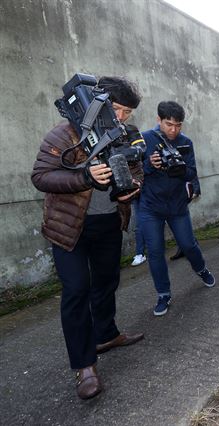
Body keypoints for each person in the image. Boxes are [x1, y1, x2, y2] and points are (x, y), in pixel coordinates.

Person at [31, 76, 145, 400]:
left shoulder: (122, 133)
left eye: (128, 113)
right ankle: (84, 367)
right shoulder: (64, 132)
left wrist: (132, 190)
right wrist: (83, 176)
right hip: (69, 229)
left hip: (108, 223)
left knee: (107, 282)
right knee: (77, 290)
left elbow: (137, 172)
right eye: (118, 109)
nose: (122, 117)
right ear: (99, 101)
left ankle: (106, 334)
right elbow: (40, 176)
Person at [139, 101, 216, 316]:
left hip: (177, 205)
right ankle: (163, 294)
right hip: (150, 206)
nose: (173, 130)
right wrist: (150, 165)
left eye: (178, 125)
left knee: (188, 245)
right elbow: (133, 173)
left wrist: (177, 164)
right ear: (159, 120)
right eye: (168, 124)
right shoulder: (144, 139)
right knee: (155, 251)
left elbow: (191, 173)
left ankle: (202, 269)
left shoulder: (186, 142)